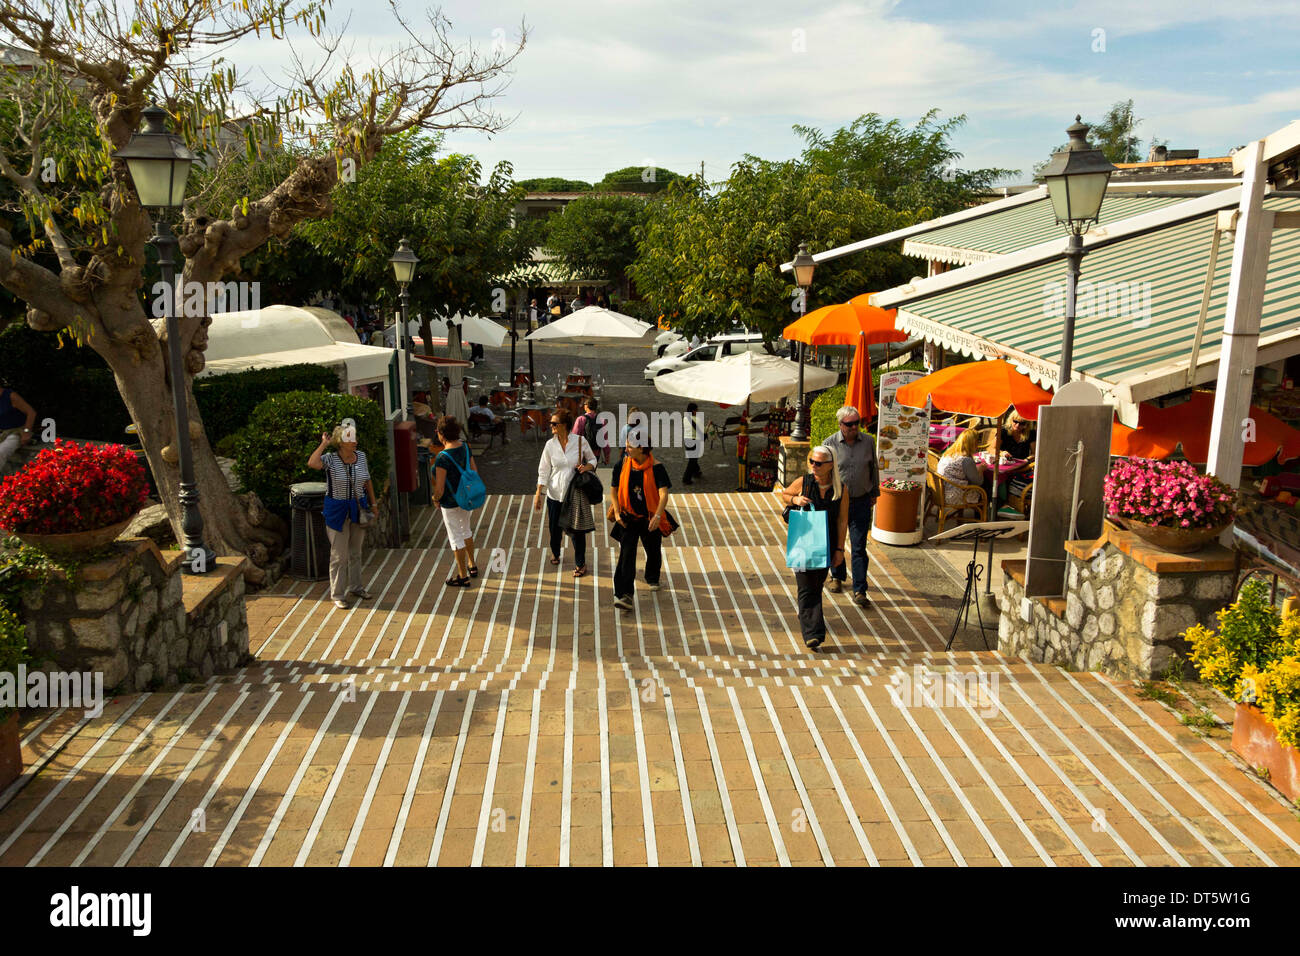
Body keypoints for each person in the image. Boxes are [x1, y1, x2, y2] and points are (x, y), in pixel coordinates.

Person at [775, 445, 849, 650]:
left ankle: (807, 614)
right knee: (807, 587)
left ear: (830, 465)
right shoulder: (804, 482)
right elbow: (785, 494)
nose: (814, 466)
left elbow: (842, 520)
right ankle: (813, 633)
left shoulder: (840, 488)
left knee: (816, 584)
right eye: (812, 462)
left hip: (828, 543)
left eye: (819, 463)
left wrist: (840, 550)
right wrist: (796, 499)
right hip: (804, 542)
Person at [308, 419, 377, 610]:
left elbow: (367, 481)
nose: (354, 441)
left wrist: (374, 503)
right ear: (340, 442)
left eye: (354, 437)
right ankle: (337, 594)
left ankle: (356, 587)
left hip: (357, 508)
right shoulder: (330, 458)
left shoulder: (361, 456)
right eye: (349, 438)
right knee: (339, 555)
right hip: (337, 510)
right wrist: (324, 444)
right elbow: (312, 463)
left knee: (356, 552)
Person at [822, 405, 879, 608]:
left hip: (861, 500)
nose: (854, 427)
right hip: (837, 501)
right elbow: (823, 473)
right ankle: (837, 576)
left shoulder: (869, 442)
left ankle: (860, 589)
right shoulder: (829, 443)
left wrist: (875, 492)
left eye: (857, 423)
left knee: (858, 546)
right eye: (849, 424)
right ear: (840, 425)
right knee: (836, 542)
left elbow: (874, 467)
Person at [608, 434, 673, 610]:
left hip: (650, 517)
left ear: (642, 448)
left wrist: (658, 516)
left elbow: (663, 494)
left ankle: (652, 576)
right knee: (626, 555)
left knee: (653, 549)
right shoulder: (621, 465)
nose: (626, 449)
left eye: (629, 446)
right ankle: (623, 595)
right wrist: (617, 512)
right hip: (628, 516)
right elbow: (613, 491)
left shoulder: (657, 468)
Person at [535, 408, 598, 577]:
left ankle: (580, 564)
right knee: (554, 528)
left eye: (554, 423)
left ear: (564, 425)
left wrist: (586, 467)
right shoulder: (550, 445)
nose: (551, 426)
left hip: (573, 495)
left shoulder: (579, 441)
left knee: (577, 532)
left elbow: (593, 459)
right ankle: (555, 552)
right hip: (554, 494)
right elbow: (544, 469)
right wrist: (538, 492)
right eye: (551, 423)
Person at [432, 416, 480, 588]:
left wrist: (435, 499)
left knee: (455, 538)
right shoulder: (466, 448)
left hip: (450, 502)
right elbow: (474, 471)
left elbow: (439, 489)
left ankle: (462, 576)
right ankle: (472, 564)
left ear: (442, 434)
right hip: (466, 498)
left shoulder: (442, 458)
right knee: (466, 529)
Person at [938, 428, 988, 503]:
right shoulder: (966, 460)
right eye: (978, 442)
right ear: (973, 444)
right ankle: (983, 514)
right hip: (953, 495)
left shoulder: (948, 453)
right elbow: (978, 482)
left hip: (940, 491)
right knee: (986, 490)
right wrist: (981, 470)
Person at [0, 384, 35, 473]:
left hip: (16, 432)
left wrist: (27, 432)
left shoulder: (10, 395)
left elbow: (31, 412)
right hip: (2, 433)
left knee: (1, 451)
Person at [573, 397, 608, 464]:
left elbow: (574, 437)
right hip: (596, 453)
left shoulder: (580, 419)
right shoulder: (602, 421)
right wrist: (607, 456)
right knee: (592, 472)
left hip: (583, 453)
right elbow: (605, 441)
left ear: (586, 406)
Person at [682, 402, 703, 485]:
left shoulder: (685, 418)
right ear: (693, 411)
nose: (698, 411)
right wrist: (708, 425)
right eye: (697, 410)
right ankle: (686, 478)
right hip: (695, 440)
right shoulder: (697, 419)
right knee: (692, 460)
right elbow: (703, 430)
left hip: (687, 440)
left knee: (693, 458)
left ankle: (696, 471)